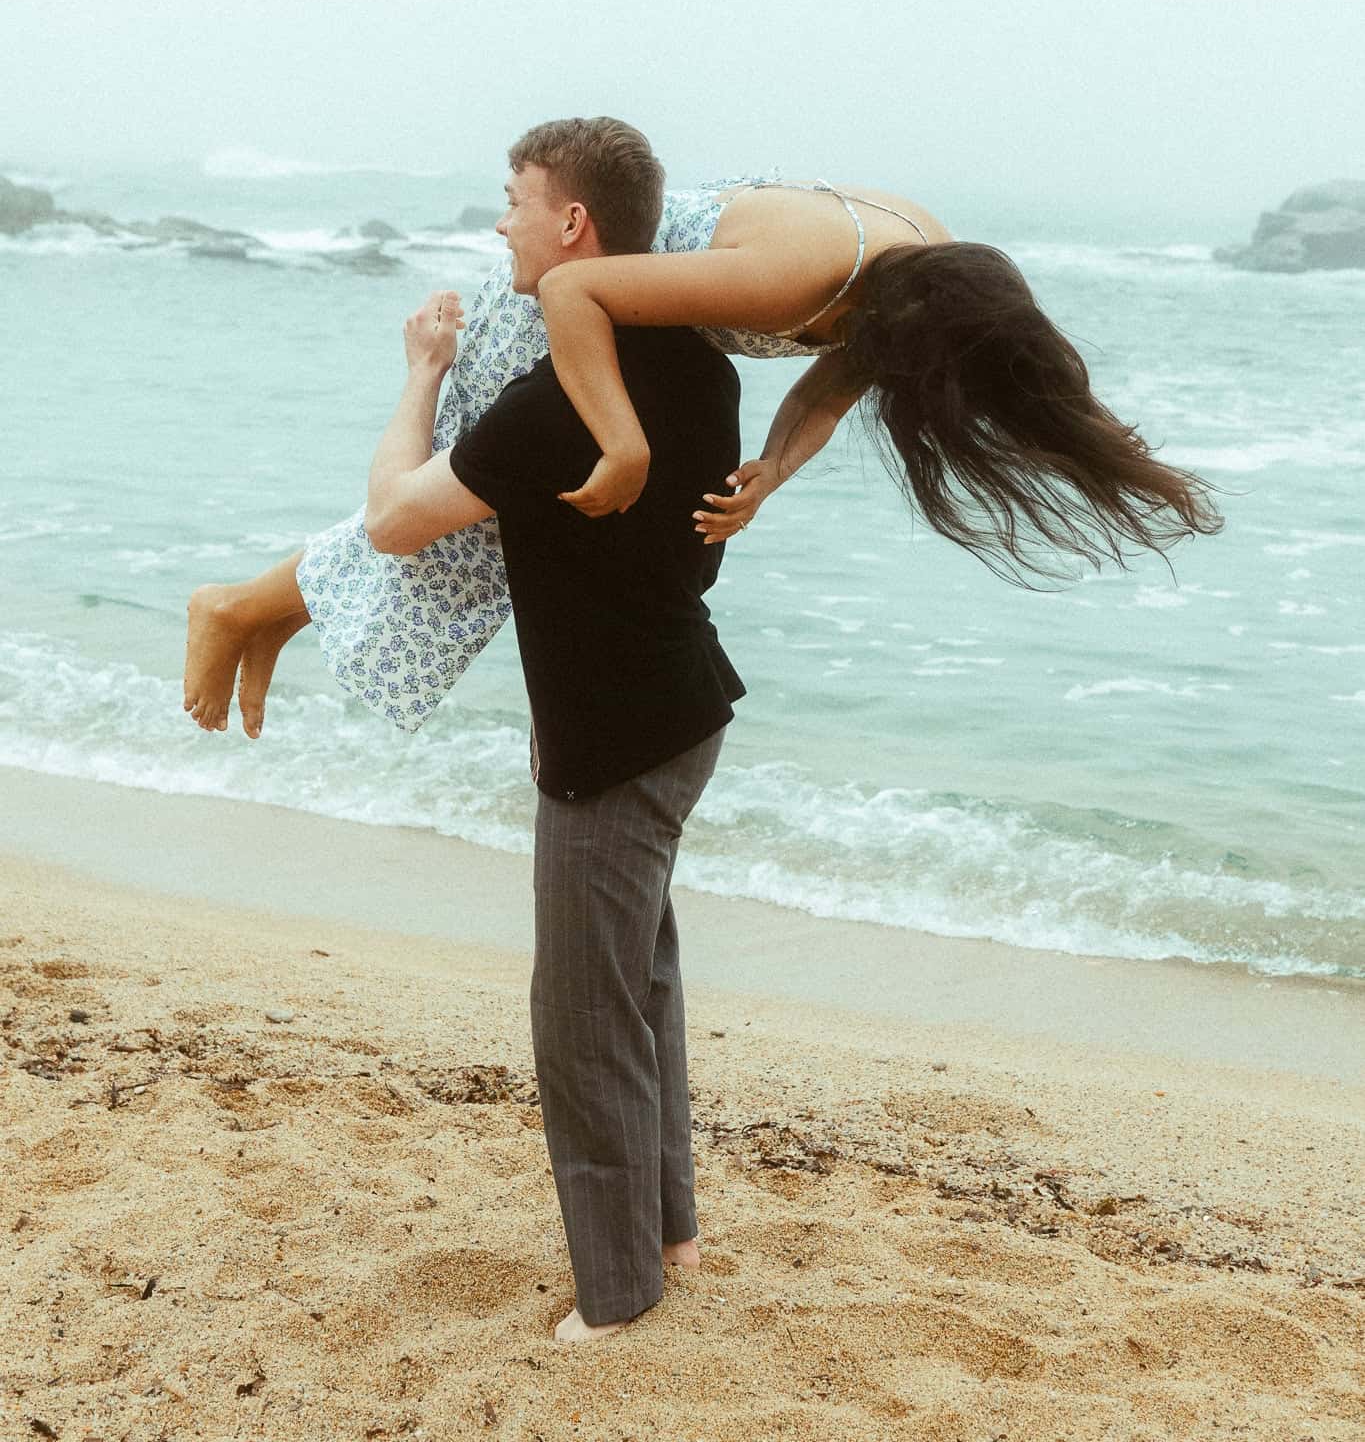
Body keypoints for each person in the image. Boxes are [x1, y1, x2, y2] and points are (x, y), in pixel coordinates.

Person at [183, 116, 1222, 735]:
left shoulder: (931, 281)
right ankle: (239, 607)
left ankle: (272, 613)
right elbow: (581, 288)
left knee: (480, 520)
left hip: (631, 307)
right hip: (582, 294)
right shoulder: (795, 275)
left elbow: (833, 382)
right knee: (464, 511)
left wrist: (772, 465)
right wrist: (624, 442)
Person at [359, 217, 744, 1341]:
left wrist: (424, 371)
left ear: (575, 222)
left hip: (614, 738)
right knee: (638, 985)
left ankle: (619, 1296)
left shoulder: (551, 404)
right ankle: (667, 1229)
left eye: (515, 198)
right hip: (683, 706)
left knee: (582, 1014)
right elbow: (702, 543)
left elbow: (392, 518)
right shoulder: (701, 362)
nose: (501, 224)